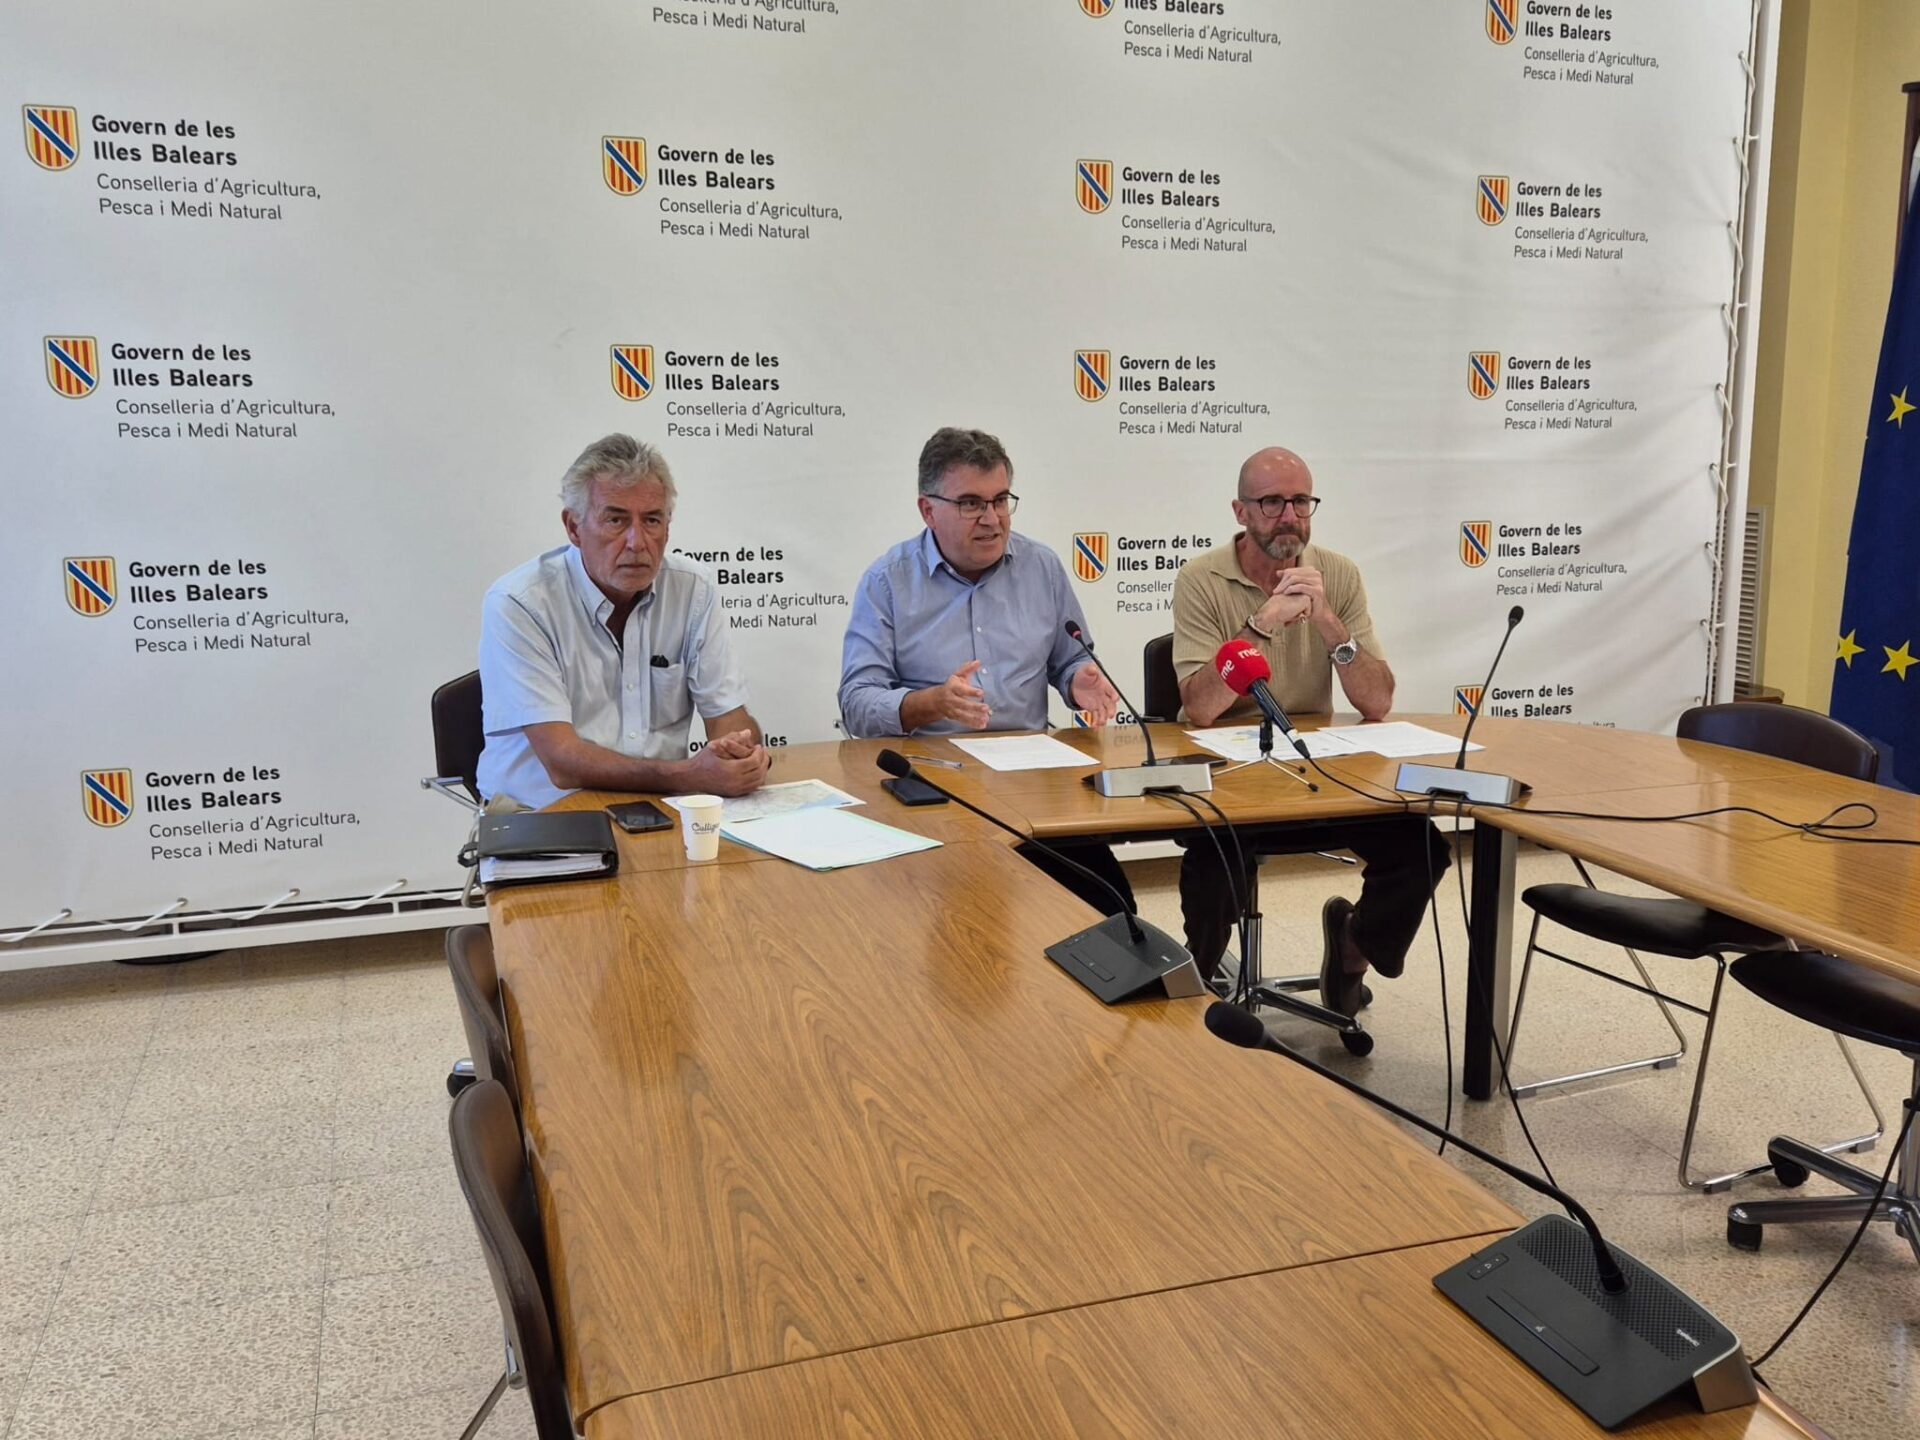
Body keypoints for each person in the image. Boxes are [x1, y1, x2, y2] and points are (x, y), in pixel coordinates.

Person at [1170, 446, 1449, 1012]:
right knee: (1213, 860)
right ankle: (1199, 993)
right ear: (1241, 511)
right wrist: (1261, 624)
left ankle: (1352, 947)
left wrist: (1327, 621)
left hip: (1315, 775)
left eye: (1301, 501)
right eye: (1271, 502)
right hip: (1231, 778)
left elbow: (1377, 701)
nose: (1289, 516)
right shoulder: (1201, 578)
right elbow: (1200, 709)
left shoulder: (1338, 574)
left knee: (1422, 846)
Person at [839, 426, 1134, 911]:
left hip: (1032, 784)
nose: (992, 519)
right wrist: (930, 703)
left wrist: (1077, 679)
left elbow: (1071, 658)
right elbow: (856, 701)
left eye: (1000, 500)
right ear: (928, 510)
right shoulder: (887, 582)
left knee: (1113, 908)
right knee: (956, 917)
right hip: (934, 787)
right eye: (971, 503)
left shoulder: (1042, 567)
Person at [477, 434, 771, 810]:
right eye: (616, 520)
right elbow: (562, 762)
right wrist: (690, 776)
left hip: (659, 808)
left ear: (668, 527)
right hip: (539, 817)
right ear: (574, 527)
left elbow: (729, 716)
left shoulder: (692, 590)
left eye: (652, 520)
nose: (637, 542)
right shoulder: (520, 602)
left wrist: (739, 752)